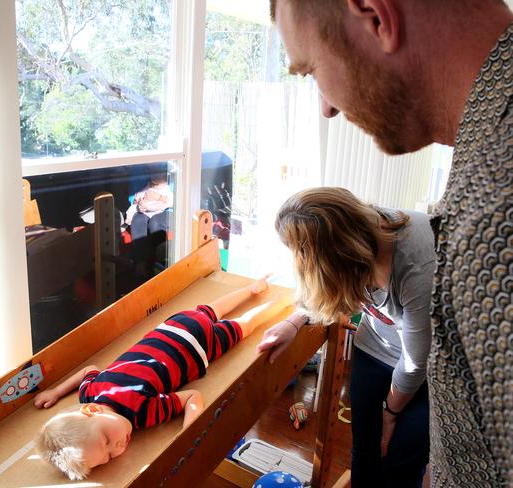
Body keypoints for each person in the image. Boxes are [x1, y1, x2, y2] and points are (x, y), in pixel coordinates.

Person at [268, 1, 512, 485]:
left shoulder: (491, 211)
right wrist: (298, 319)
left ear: (375, 15)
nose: (326, 107)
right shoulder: (483, 154)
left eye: (312, 68)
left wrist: (391, 409)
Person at [257, 187, 435, 487]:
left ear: (337, 253)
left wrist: (389, 412)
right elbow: (326, 291)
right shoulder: (354, 239)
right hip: (375, 347)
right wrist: (294, 321)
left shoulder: (417, 263)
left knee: (402, 461)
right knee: (365, 449)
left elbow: (416, 362)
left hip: (427, 368)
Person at [33, 276, 288, 480]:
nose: (119, 447)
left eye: (107, 440)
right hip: (170, 329)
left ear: (91, 410)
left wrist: (189, 433)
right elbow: (89, 370)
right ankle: (253, 290)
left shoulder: (143, 412)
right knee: (213, 309)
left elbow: (192, 397)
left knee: (246, 324)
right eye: (110, 456)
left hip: (200, 348)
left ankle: (282, 303)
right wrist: (56, 392)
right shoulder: (91, 392)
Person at [126, 177, 173, 280]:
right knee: (137, 219)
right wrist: (138, 202)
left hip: (165, 210)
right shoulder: (148, 184)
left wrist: (159, 198)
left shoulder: (169, 185)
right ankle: (140, 263)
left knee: (155, 224)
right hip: (147, 210)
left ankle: (158, 262)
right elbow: (137, 196)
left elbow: (172, 201)